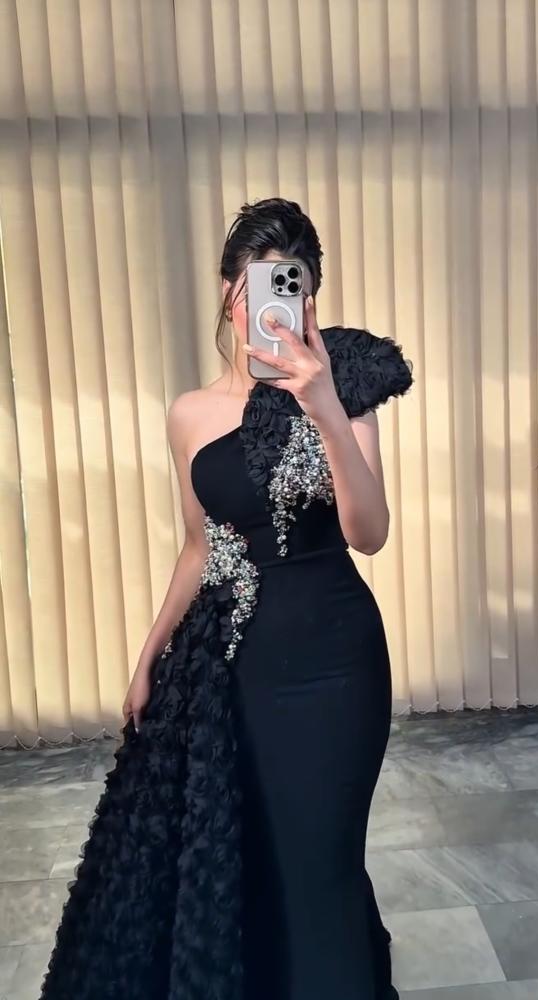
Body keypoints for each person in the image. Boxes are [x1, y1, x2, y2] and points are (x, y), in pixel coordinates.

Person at [38, 197, 413, 1000]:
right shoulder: (189, 414)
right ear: (227, 292)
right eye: (257, 286)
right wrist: (147, 658)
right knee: (258, 861)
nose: (275, 305)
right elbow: (199, 546)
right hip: (238, 672)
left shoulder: (344, 386)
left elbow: (370, 532)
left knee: (324, 867)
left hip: (338, 666)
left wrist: (323, 407)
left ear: (310, 295)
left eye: (293, 286)